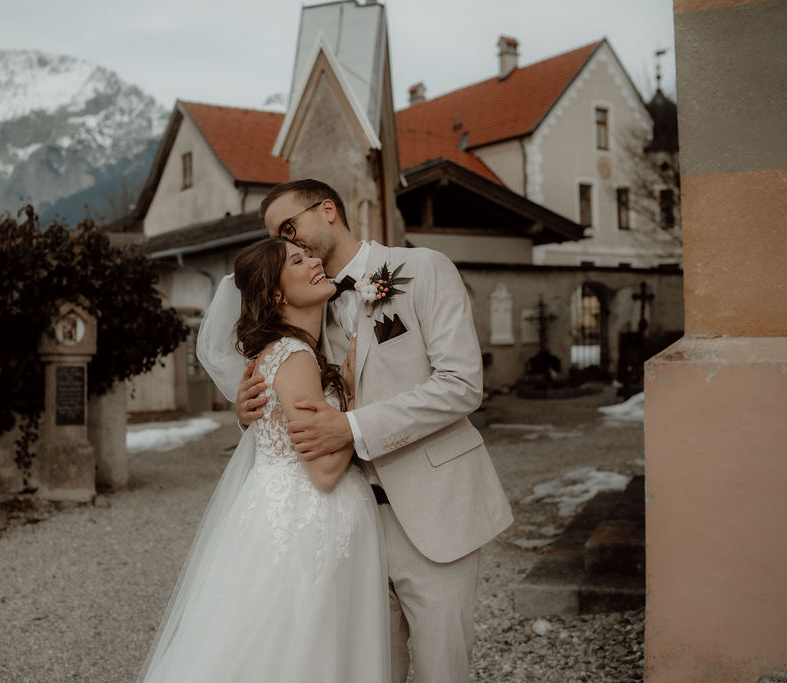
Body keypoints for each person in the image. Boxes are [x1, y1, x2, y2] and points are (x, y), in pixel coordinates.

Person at [226, 179, 514, 683]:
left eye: (289, 228)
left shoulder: (422, 269)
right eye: (278, 239)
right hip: (346, 523)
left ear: (328, 210)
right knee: (368, 670)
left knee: (440, 671)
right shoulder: (305, 309)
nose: (287, 245)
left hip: (433, 510)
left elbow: (462, 385)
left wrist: (352, 425)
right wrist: (250, 408)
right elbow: (295, 389)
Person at [138, 237, 390, 683]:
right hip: (310, 521)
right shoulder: (295, 357)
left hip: (279, 515)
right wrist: (354, 402)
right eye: (298, 260)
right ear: (275, 294)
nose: (315, 261)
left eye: (309, 254)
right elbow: (325, 473)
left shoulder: (283, 353)